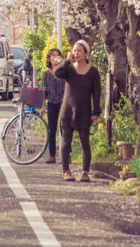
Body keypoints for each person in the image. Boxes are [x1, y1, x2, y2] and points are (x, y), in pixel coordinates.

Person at [52, 39, 102, 182]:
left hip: (84, 111)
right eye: (74, 50)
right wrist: (66, 61)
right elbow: (56, 73)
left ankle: (85, 172)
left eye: (79, 51)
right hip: (67, 110)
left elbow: (96, 93)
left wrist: (96, 111)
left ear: (86, 53)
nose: (76, 53)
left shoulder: (93, 72)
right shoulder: (68, 69)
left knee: (84, 143)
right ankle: (66, 171)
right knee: (66, 143)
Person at [40, 48, 66, 164]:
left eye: (57, 55)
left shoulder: (64, 72)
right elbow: (43, 91)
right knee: (51, 130)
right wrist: (42, 107)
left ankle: (67, 154)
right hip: (51, 102)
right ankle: (52, 155)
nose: (55, 57)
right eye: (53, 55)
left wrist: (63, 63)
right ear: (49, 58)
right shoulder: (46, 74)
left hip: (63, 103)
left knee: (64, 129)